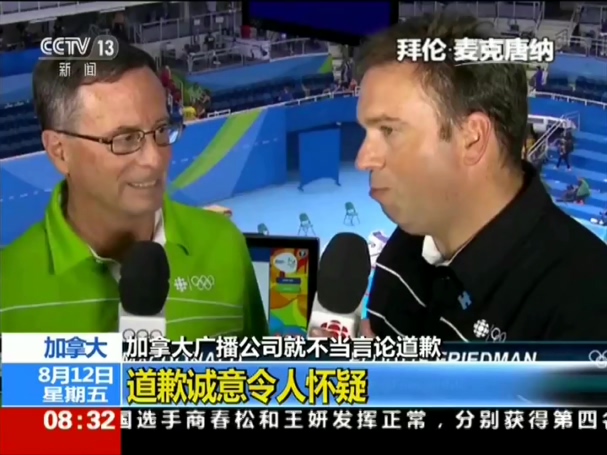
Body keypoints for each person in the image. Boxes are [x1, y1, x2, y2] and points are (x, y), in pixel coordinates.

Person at [318, 14, 607, 340]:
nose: (363, 160)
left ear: (472, 138)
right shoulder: (409, 241)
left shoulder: (589, 311)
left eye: (389, 130)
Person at [0, 40, 268, 338]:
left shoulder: (224, 245)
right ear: (60, 151)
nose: (155, 159)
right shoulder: (7, 285)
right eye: (125, 139)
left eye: (161, 130)